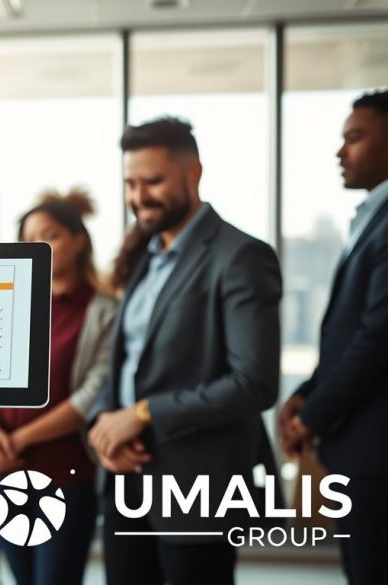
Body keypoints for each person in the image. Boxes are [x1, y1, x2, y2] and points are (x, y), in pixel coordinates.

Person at [86, 117, 283, 585]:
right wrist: (101, 426)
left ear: (193, 173)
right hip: (126, 478)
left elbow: (253, 384)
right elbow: (123, 361)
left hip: (197, 486)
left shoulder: (240, 257)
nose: (139, 197)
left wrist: (145, 412)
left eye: (152, 181)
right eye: (130, 184)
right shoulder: (145, 257)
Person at [0, 191, 117, 585]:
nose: (39, 246)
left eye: (50, 234)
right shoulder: (7, 303)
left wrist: (19, 438)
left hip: (66, 471)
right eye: (28, 239)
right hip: (2, 467)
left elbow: (91, 395)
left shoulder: (104, 310)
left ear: (79, 239)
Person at [279, 89, 388, 585]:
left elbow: (378, 338)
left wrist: (314, 415)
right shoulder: (370, 218)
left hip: (376, 455)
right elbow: (351, 334)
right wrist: (305, 394)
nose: (341, 152)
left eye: (355, 138)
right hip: (359, 448)